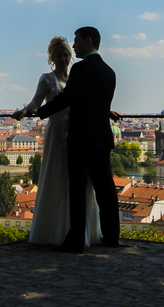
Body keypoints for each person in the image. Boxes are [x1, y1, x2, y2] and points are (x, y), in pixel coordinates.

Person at [32, 26, 120, 252]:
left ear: (88, 41)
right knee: (105, 189)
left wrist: (39, 112)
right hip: (102, 137)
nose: (74, 46)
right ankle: (112, 236)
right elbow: (97, 102)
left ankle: (76, 241)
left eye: (77, 42)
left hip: (81, 138)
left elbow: (67, 99)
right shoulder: (110, 72)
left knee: (78, 190)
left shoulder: (80, 69)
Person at [13, 37, 102, 246]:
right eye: (59, 56)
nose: (63, 58)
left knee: (77, 181)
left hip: (78, 133)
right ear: (52, 59)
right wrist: (25, 110)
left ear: (70, 57)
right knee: (57, 178)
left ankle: (75, 232)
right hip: (56, 133)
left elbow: (89, 104)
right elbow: (36, 102)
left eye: (66, 55)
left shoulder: (76, 78)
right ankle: (57, 233)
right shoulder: (47, 79)